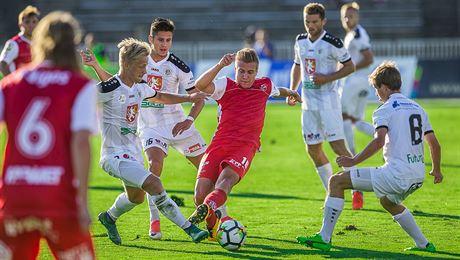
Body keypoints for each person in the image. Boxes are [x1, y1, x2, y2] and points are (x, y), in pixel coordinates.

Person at [80, 17, 219, 240]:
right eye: (142, 66)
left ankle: (109, 217)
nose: (146, 70)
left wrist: (189, 97)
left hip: (132, 152)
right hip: (113, 155)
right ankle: (189, 229)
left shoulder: (140, 86)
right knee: (154, 182)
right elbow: (80, 97)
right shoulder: (108, 88)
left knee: (135, 197)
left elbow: (162, 96)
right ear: (127, 64)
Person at [296, 61, 443, 252]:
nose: (376, 94)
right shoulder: (418, 108)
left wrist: (353, 161)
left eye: (376, 88)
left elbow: (379, 141)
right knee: (388, 201)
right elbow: (434, 143)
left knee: (337, 181)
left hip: (396, 174)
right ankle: (424, 244)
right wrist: (437, 169)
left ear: (384, 87)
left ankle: (324, 237)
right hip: (418, 175)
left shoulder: (384, 110)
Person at [0, 11, 95, 259]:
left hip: (15, 197)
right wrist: (82, 202)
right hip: (59, 198)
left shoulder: (11, 83)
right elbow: (81, 143)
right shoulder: (80, 85)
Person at [187, 48, 302, 240]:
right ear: (235, 69)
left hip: (244, 147)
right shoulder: (226, 85)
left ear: (256, 72)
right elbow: (200, 85)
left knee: (225, 181)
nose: (245, 76)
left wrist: (291, 92)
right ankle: (213, 224)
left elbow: (278, 91)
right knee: (200, 196)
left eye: (250, 72)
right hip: (219, 143)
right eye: (241, 71)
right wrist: (220, 65)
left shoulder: (264, 85)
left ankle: (209, 208)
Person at [287, 3, 358, 207]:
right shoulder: (300, 41)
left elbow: (350, 66)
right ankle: (331, 191)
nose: (310, 26)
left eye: (315, 22)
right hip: (308, 105)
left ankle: (357, 189)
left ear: (323, 21)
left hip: (328, 103)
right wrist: (293, 90)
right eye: (307, 22)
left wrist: (328, 77)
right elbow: (297, 65)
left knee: (337, 147)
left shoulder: (332, 42)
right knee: (313, 149)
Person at [339, 2, 375, 209]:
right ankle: (388, 139)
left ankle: (352, 159)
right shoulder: (353, 34)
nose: (348, 19)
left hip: (355, 81)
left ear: (357, 17)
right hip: (360, 82)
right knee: (354, 120)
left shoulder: (358, 34)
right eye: (345, 16)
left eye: (351, 16)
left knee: (342, 117)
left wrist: (348, 68)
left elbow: (368, 58)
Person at [0, 5, 39, 77]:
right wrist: (12, 83)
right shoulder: (14, 43)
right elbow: (2, 64)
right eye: (27, 22)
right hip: (20, 86)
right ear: (20, 25)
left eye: (34, 22)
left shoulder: (40, 42)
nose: (31, 25)